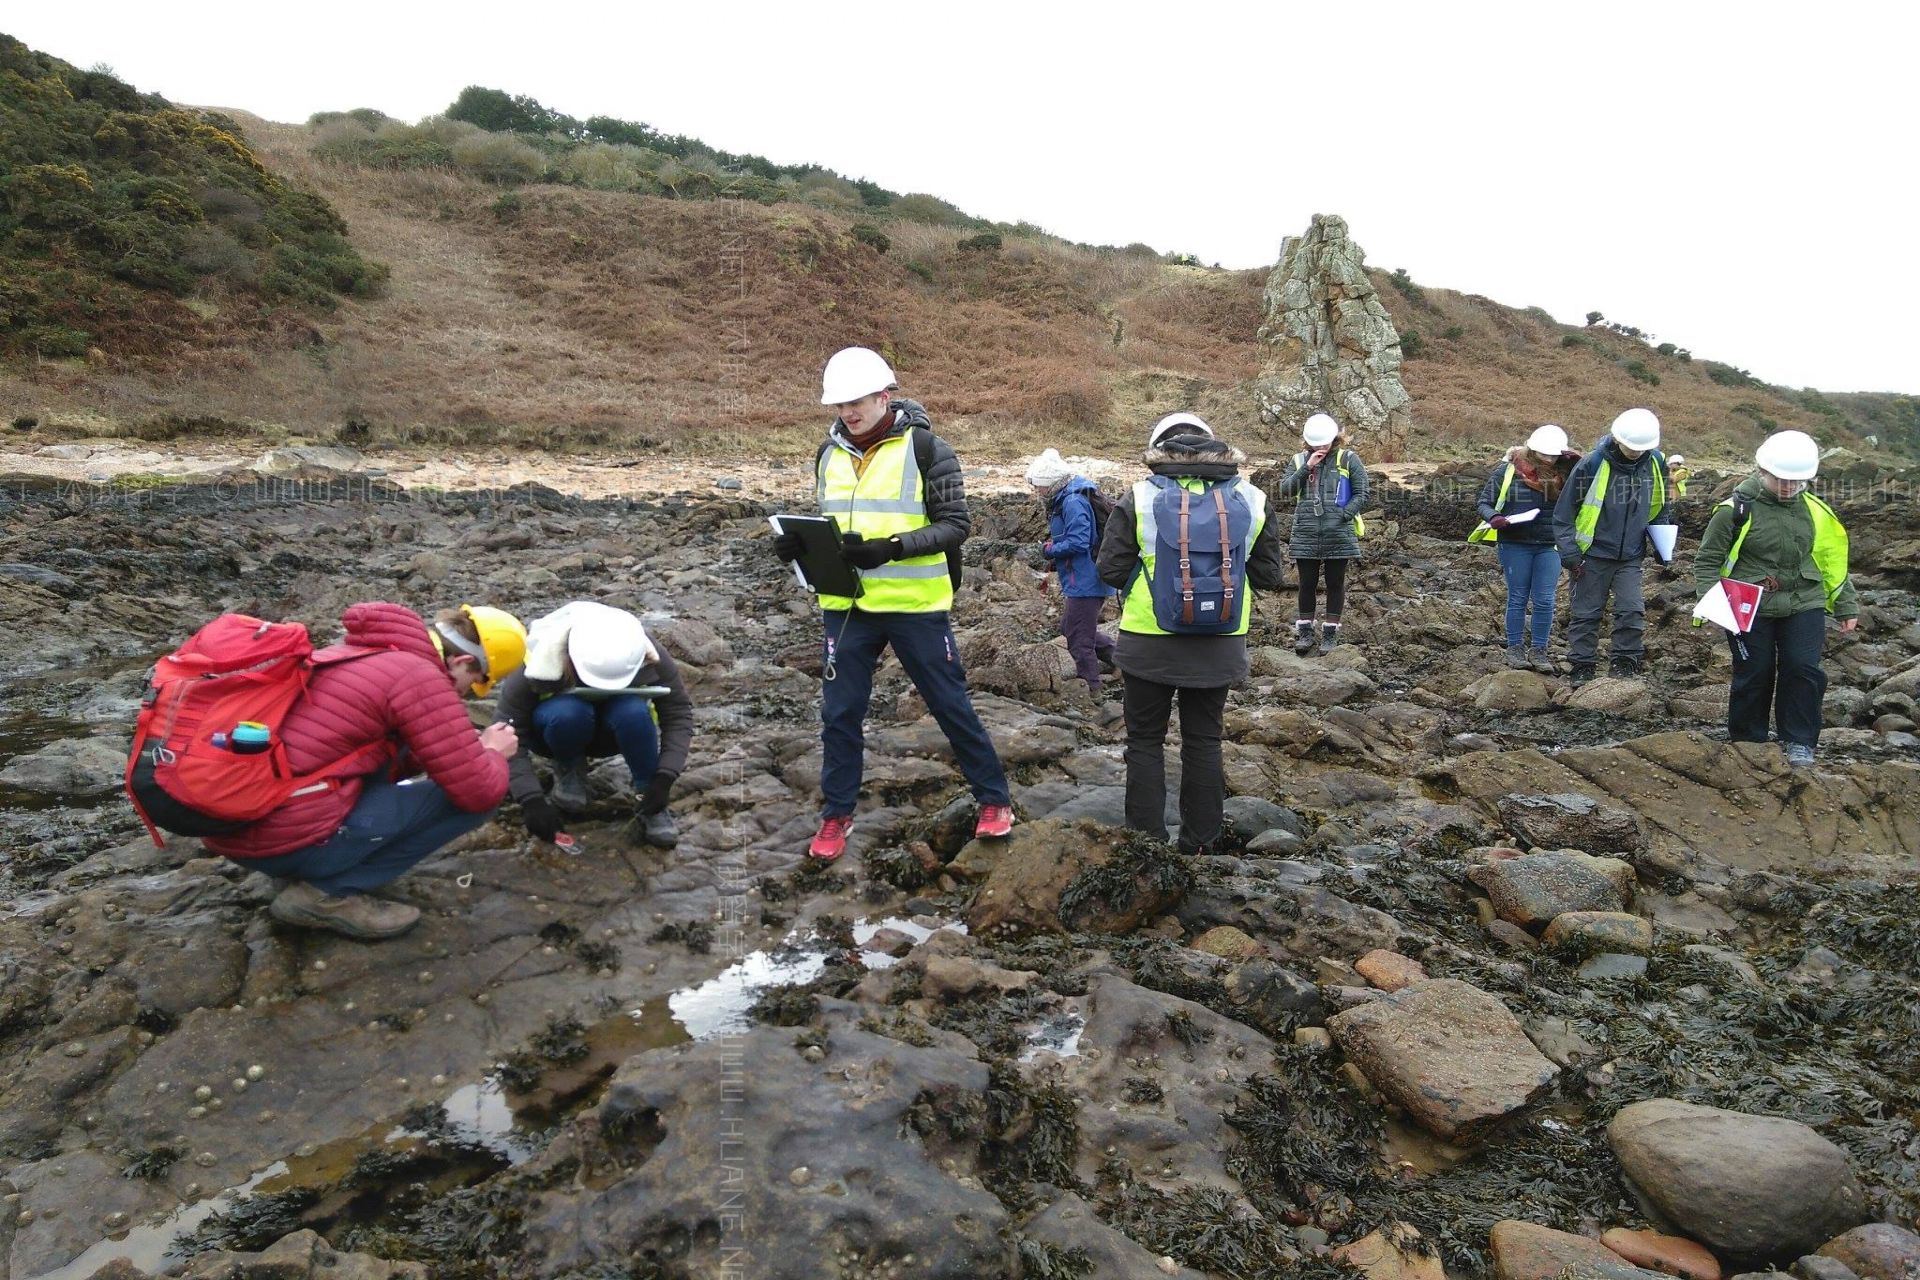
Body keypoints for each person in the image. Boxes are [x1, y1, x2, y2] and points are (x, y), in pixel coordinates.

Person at [772, 346, 1013, 861]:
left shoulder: (929, 449)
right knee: (839, 713)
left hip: (916, 604)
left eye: (856, 401)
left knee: (950, 704)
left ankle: (994, 800)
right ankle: (836, 815)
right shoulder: (827, 455)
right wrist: (797, 550)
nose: (847, 412)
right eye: (838, 405)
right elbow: (830, 529)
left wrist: (893, 548)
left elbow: (957, 526)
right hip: (847, 606)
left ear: (885, 395)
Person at [203, 602, 527, 940]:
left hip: (241, 829)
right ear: (463, 661)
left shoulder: (357, 652)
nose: (468, 695)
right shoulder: (421, 678)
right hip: (285, 841)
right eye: (476, 683)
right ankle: (325, 893)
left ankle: (293, 868)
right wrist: (491, 752)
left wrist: (449, 748)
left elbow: (357, 754)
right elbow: (479, 790)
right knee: (484, 795)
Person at [1097, 413, 1284, 855]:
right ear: (1216, 447)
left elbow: (1109, 568)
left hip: (1148, 639)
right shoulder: (1253, 498)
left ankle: (1147, 844)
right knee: (1204, 740)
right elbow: (1270, 575)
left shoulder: (1139, 497)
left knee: (1144, 741)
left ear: (1160, 450)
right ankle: (1200, 843)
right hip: (1220, 640)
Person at [1691, 430, 1857, 767]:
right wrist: (1711, 602)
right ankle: (1748, 740)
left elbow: (1830, 559)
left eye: (1797, 481)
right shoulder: (1733, 510)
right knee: (1755, 671)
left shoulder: (1815, 511)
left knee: (1803, 668)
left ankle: (1799, 742)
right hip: (1749, 604)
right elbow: (1708, 560)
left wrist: (1845, 603)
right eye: (1781, 479)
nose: (1788, 487)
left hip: (1804, 600)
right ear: (1762, 470)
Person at [492, 601, 694, 849]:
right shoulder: (539, 652)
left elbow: (678, 714)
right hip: (556, 730)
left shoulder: (645, 650)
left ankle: (646, 794)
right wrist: (530, 799)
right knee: (568, 712)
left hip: (615, 732)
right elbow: (507, 730)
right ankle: (569, 770)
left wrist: (664, 778)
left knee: (633, 711)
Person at [1552, 407, 1677, 685]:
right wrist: (1570, 553)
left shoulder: (1655, 463)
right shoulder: (1592, 464)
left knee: (1631, 609)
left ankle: (1625, 662)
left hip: (1630, 555)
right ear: (1617, 438)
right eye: (1631, 447)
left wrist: (1662, 546)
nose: (1635, 452)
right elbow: (1564, 513)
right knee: (1586, 613)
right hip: (1592, 555)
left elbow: (1660, 507)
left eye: (1641, 448)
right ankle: (1582, 666)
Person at [1470, 423, 1581, 671]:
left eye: (1555, 455)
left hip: (1550, 545)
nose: (1550, 459)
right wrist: (1494, 518)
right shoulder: (1508, 471)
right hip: (1514, 543)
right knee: (1518, 598)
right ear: (1532, 450)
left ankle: (1539, 651)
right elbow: (1484, 502)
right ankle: (1515, 649)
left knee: (1545, 600)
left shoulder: (1569, 473)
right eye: (1545, 454)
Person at [1274, 412, 1370, 655]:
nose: (1321, 447)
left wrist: (1344, 515)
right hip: (1306, 531)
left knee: (1335, 583)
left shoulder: (1348, 459)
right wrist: (1307, 467)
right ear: (1308, 442)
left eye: (1325, 443)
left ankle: (1330, 634)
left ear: (1335, 437)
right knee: (1306, 584)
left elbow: (1362, 493)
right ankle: (1305, 633)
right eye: (1317, 444)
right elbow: (1285, 490)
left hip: (1338, 532)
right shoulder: (1298, 461)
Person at [1027, 447, 1116, 695]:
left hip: (1087, 579)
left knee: (1078, 638)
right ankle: (1121, 662)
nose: (1037, 492)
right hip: (1084, 577)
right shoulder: (1069, 495)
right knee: (1070, 628)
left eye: (1039, 487)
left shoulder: (1073, 500)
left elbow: (1079, 542)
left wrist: (1049, 550)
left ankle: (1091, 688)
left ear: (1051, 483)